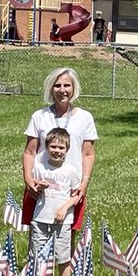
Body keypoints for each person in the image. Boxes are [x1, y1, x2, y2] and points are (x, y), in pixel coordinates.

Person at [22, 68, 97, 239]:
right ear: (51, 89)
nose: (62, 90)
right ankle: (38, 267)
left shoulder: (85, 118)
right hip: (41, 187)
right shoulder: (39, 116)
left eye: (66, 85)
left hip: (70, 188)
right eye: (57, 85)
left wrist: (84, 183)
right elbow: (29, 152)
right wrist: (28, 179)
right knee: (38, 239)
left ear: (74, 88)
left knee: (66, 239)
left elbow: (88, 154)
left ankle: (65, 266)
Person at [29, 128, 83, 276]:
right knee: (37, 255)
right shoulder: (39, 167)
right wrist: (38, 186)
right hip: (40, 218)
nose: (57, 151)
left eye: (61, 148)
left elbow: (77, 195)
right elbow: (33, 189)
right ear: (46, 147)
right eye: (53, 147)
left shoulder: (71, 171)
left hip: (62, 221)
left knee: (63, 257)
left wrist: (64, 208)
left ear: (67, 150)